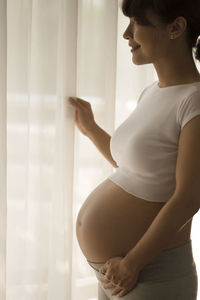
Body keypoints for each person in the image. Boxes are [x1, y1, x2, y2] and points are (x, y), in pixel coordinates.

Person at [68, 0, 200, 299]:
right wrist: (91, 129)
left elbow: (190, 197)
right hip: (119, 271)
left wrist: (133, 262)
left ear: (176, 28)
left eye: (137, 23)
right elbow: (137, 168)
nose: (127, 34)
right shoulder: (153, 92)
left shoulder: (194, 100)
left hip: (150, 272)